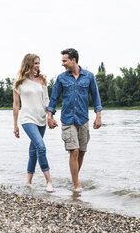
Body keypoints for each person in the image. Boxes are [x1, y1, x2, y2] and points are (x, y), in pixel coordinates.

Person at [46, 48, 102, 192]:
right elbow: (53, 99)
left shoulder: (89, 76)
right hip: (68, 119)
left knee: (82, 151)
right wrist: (49, 116)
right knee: (74, 151)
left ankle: (74, 178)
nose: (62, 64)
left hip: (83, 119)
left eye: (64, 61)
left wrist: (98, 116)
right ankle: (76, 185)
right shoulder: (61, 78)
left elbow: (96, 97)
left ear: (73, 60)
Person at [13, 53, 53, 192]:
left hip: (41, 118)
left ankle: (29, 182)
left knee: (33, 151)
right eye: (36, 63)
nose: (38, 66)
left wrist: (50, 117)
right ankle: (49, 181)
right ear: (28, 63)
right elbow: (16, 105)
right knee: (41, 147)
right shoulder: (19, 82)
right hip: (27, 119)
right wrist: (15, 125)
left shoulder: (42, 80)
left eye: (39, 63)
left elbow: (47, 100)